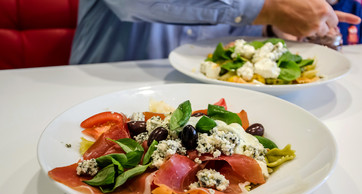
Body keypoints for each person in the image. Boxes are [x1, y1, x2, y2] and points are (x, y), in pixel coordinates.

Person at [69, 0, 361, 65]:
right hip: (108, 92)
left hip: (213, 96)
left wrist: (271, 26)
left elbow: (228, 21)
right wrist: (269, 8)